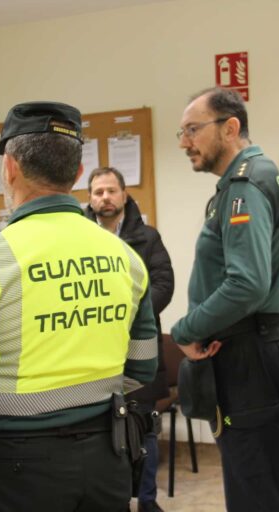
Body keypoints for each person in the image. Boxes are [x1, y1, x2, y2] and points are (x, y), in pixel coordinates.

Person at [0, 101, 158, 512]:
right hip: (107, 458)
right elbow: (142, 368)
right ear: (78, 173)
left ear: (9, 168)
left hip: (15, 466)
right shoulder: (126, 257)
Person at [171, 87, 279, 512]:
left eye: (192, 129)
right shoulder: (238, 183)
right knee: (254, 478)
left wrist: (188, 328)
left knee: (255, 484)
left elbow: (246, 284)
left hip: (248, 351)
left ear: (230, 127)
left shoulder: (246, 183)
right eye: (182, 132)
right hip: (247, 347)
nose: (185, 142)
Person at [85, 167, 174, 512]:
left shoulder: (148, 237)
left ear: (124, 195)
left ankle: (147, 502)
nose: (104, 198)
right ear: (89, 198)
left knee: (145, 428)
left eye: (110, 191)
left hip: (139, 346)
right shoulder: (79, 238)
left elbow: (163, 286)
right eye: (97, 192)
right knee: (100, 431)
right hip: (92, 352)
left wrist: (123, 318)